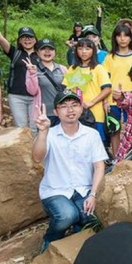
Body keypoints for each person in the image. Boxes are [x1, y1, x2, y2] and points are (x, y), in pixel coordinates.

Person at [32, 91, 107, 253]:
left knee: (92, 217)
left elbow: (99, 166)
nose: (70, 110)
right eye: (64, 106)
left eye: (74, 105)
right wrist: (43, 132)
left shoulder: (91, 135)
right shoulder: (49, 134)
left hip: (83, 189)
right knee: (67, 216)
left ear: (81, 109)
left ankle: (77, 232)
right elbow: (37, 158)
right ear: (56, 112)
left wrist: (93, 194)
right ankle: (50, 240)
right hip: (55, 190)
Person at [0, 8, 39, 131]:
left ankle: (35, 150)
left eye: (30, 37)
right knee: (21, 127)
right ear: (19, 40)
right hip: (17, 95)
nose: (27, 39)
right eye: (24, 37)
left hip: (36, 96)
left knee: (35, 127)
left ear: (35, 39)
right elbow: (0, 39)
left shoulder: (41, 54)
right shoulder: (15, 53)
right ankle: (23, 150)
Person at [104, 24, 132, 155]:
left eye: (125, 35)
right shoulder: (110, 57)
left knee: (131, 127)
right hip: (113, 98)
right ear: (115, 38)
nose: (122, 39)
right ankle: (116, 157)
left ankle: (130, 155)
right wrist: (105, 100)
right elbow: (104, 80)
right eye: (119, 35)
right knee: (115, 128)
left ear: (130, 38)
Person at [62, 38, 112, 142]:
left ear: (93, 51)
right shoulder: (72, 68)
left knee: (96, 141)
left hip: (95, 111)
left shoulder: (98, 68)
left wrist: (92, 102)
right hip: (75, 111)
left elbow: (107, 89)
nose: (84, 52)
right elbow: (66, 89)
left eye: (87, 49)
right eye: (80, 48)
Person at [25, 39, 67, 125]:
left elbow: (68, 89)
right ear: (37, 52)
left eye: (51, 49)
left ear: (55, 52)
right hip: (44, 113)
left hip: (62, 112)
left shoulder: (62, 69)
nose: (47, 51)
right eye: (43, 49)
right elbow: (32, 91)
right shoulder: (33, 69)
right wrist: (32, 74)